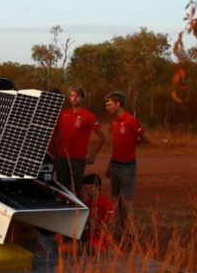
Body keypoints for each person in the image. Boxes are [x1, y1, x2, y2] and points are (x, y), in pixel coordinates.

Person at [104, 91, 150, 233]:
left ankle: (132, 234)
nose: (107, 107)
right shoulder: (115, 122)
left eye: (109, 104)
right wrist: (109, 165)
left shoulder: (130, 120)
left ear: (118, 104)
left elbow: (146, 139)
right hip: (115, 165)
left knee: (127, 201)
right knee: (115, 200)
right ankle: (120, 230)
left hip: (127, 167)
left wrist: (134, 141)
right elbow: (117, 146)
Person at [54, 87, 106, 197]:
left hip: (78, 159)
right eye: (72, 96)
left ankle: (79, 212)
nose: (74, 98)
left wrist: (93, 155)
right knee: (62, 188)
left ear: (82, 98)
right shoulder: (63, 114)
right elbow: (57, 136)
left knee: (78, 188)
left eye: (77, 96)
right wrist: (55, 155)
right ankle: (65, 211)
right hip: (61, 157)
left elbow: (102, 136)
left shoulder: (87, 116)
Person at [81, 174, 114, 251]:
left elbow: (109, 228)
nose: (87, 190)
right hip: (88, 239)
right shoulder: (87, 204)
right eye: (86, 188)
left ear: (98, 187)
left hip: (98, 243)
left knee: (63, 248)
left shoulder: (107, 204)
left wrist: (89, 221)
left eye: (90, 187)